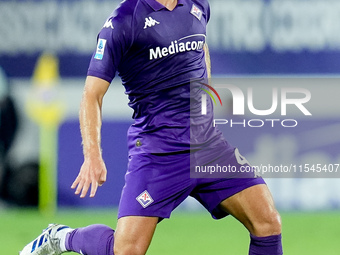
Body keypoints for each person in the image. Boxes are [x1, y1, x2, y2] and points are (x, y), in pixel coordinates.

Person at [20, 0, 282, 254]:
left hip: (207, 146)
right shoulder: (123, 22)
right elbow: (91, 95)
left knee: (267, 222)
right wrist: (92, 156)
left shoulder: (198, 5)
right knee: (126, 251)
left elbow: (200, 46)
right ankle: (62, 238)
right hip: (159, 153)